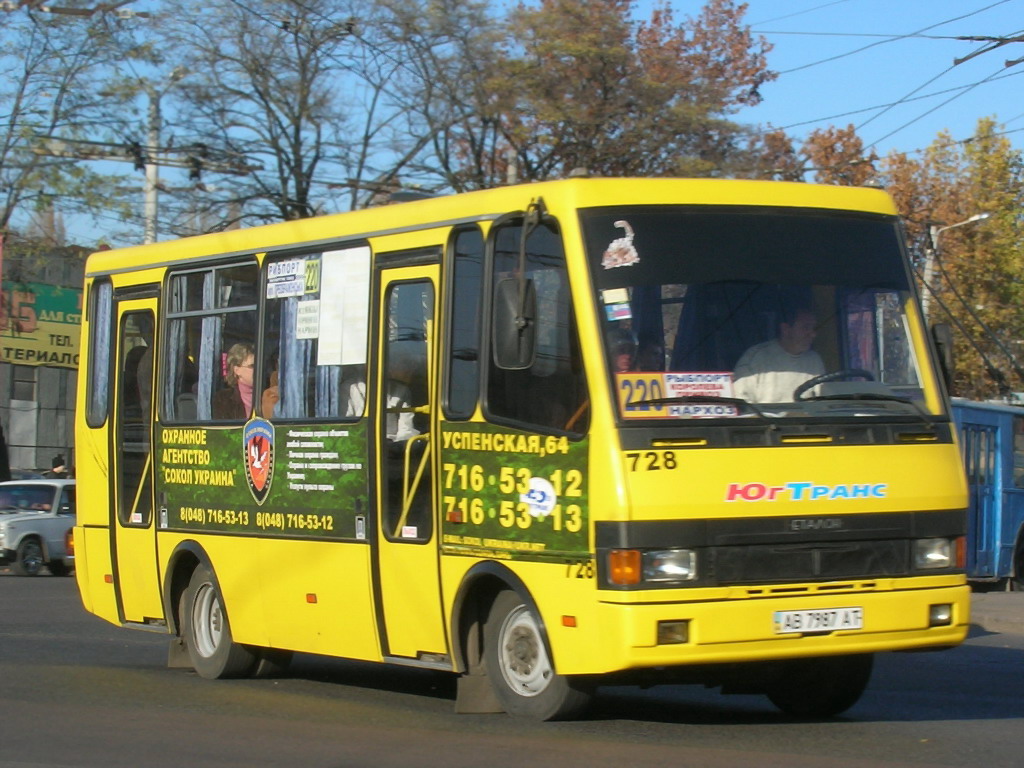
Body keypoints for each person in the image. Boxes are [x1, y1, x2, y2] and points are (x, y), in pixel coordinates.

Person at [733, 306, 825, 403]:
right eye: (805, 327)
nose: (813, 334)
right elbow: (741, 403)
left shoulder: (814, 360)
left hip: (808, 418)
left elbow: (823, 402)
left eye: (813, 328)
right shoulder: (755, 357)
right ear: (785, 329)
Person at [213, 342, 256, 420]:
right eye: (252, 366)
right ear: (236, 370)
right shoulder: (223, 399)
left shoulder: (269, 395)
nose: (258, 369)